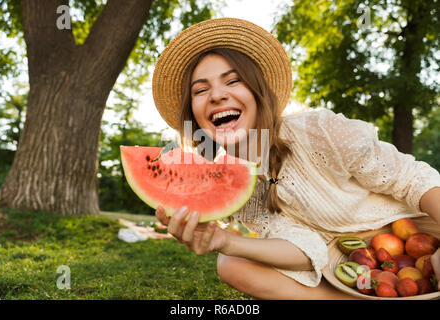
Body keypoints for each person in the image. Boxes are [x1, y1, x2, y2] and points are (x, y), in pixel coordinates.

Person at [151, 18, 440, 299]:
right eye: (200, 90)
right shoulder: (236, 188)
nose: (216, 95)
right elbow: (306, 247)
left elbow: (411, 178)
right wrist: (224, 241)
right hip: (345, 270)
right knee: (230, 264)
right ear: (194, 114)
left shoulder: (319, 130)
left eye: (233, 81)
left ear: (257, 90)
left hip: (415, 237)